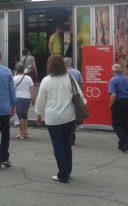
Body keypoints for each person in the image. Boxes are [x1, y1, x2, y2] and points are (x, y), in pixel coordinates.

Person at [35, 54, 85, 183]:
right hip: (69, 117)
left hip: (53, 118)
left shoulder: (46, 80)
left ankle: (63, 174)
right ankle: (67, 170)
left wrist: (38, 113)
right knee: (66, 144)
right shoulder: (70, 78)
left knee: (58, 145)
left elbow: (40, 100)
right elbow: (81, 96)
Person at [108, 64, 128, 152]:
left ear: (113, 71)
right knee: (126, 123)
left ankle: (125, 140)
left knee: (116, 124)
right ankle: (122, 144)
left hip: (118, 102)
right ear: (122, 71)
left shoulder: (113, 80)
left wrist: (111, 104)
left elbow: (113, 95)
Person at [13, 63, 36, 139]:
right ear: (23, 69)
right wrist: (33, 98)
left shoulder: (14, 78)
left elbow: (12, 90)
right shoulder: (28, 78)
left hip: (18, 97)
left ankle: (22, 133)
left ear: (17, 70)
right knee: (25, 115)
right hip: (27, 97)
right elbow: (32, 89)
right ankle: (25, 131)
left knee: (20, 116)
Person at [64, 57, 83, 145]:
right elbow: (81, 84)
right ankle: (72, 138)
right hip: (75, 97)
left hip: (64, 97)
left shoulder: (61, 73)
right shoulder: (77, 72)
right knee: (73, 117)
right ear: (70, 63)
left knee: (64, 116)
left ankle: (64, 137)